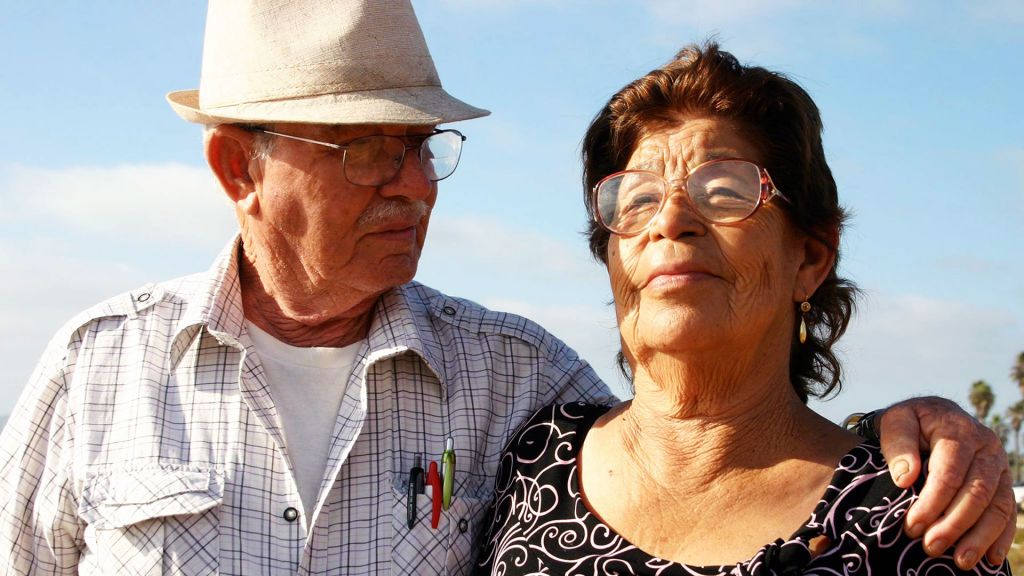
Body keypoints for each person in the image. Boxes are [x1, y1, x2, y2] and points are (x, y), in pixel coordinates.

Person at [0, 3, 1010, 574]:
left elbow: (706, 412)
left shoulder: (516, 386)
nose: (409, 182)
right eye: (363, 150)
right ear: (238, 171)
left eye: (421, 146)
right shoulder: (97, 371)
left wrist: (922, 426)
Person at [474, 43, 1013, 575]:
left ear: (811, 258)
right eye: (637, 199)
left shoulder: (916, 519)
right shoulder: (533, 457)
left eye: (726, 191)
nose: (670, 220)